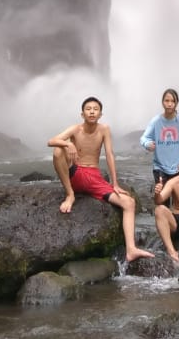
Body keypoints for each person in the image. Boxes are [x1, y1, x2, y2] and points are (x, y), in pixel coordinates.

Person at [48, 96, 154, 262]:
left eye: (95, 109)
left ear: (100, 114)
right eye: (88, 109)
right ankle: (70, 194)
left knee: (129, 203)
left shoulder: (104, 130)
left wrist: (115, 183)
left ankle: (131, 249)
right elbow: (51, 141)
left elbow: (110, 154)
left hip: (94, 177)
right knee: (57, 150)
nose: (92, 111)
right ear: (82, 114)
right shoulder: (75, 129)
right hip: (75, 172)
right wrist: (68, 144)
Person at [140, 88, 179, 186]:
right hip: (160, 167)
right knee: (162, 198)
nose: (169, 104)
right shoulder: (156, 121)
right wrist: (147, 144)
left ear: (176, 103)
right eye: (167, 101)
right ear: (162, 102)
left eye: (173, 101)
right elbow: (143, 138)